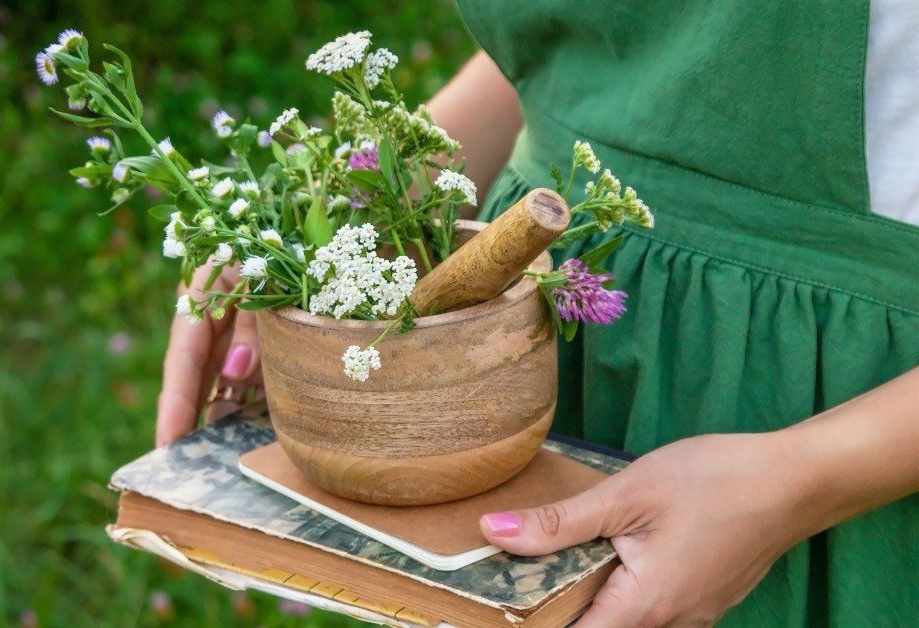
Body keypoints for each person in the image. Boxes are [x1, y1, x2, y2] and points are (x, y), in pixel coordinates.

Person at [156, 2, 919, 625]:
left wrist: (798, 483)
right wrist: (364, 193)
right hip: (520, 325)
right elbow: (608, 37)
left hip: (824, 406)